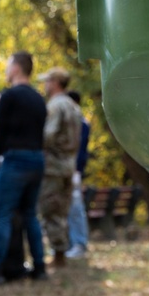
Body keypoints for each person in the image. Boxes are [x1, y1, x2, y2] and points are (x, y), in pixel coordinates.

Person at [0, 51, 48, 285]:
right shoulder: (38, 98)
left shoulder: (9, 97)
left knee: (0, 216)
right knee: (30, 215)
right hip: (37, 159)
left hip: (15, 160)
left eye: (8, 65)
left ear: (16, 68)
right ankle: (40, 267)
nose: (5, 70)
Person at [37, 67, 83, 268]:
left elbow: (48, 135)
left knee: (50, 209)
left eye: (47, 81)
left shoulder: (56, 106)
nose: (45, 85)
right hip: (69, 165)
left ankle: (58, 255)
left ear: (55, 83)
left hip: (53, 166)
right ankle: (61, 251)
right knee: (62, 210)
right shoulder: (74, 107)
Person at [65, 90, 91, 259]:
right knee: (67, 206)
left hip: (74, 170)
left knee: (75, 207)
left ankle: (79, 243)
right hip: (69, 168)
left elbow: (80, 151)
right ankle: (70, 243)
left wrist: (77, 169)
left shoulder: (80, 123)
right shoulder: (75, 122)